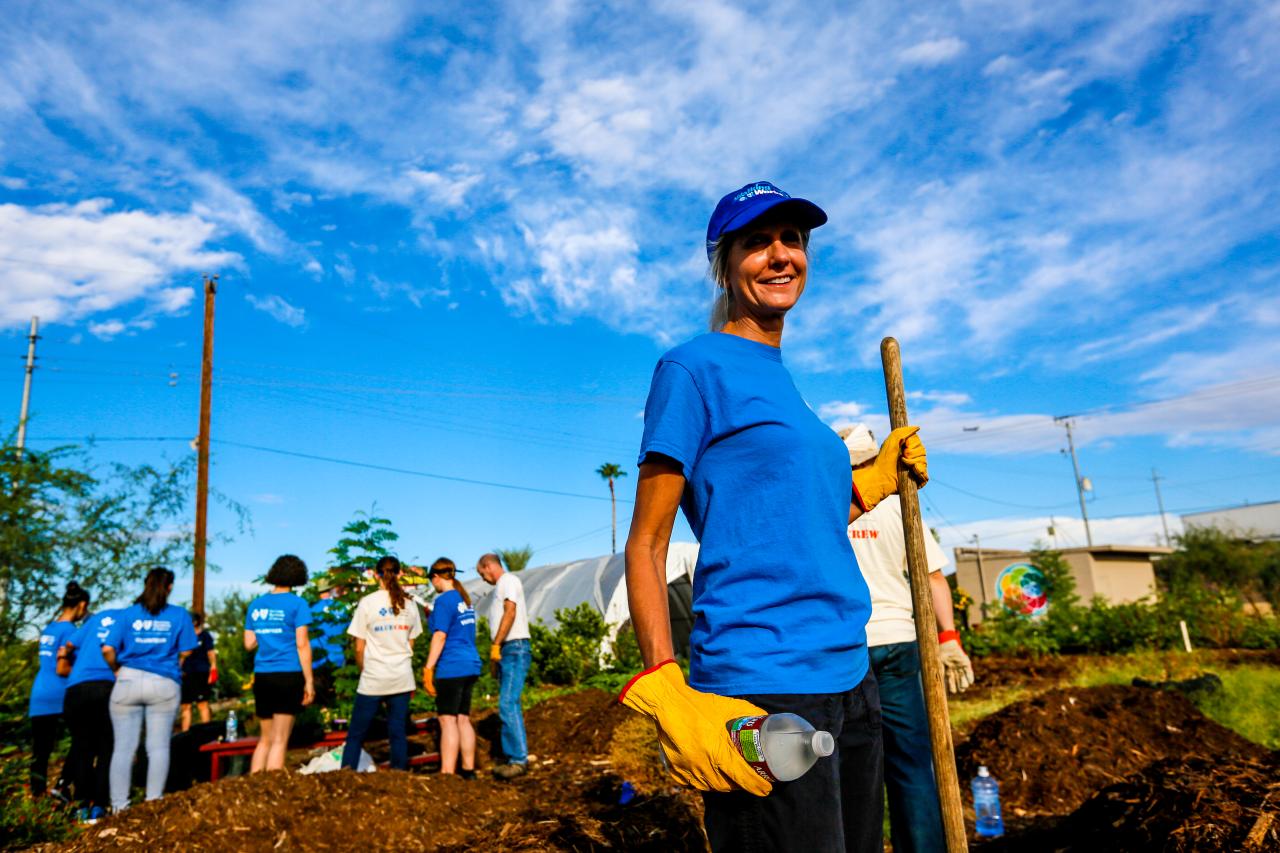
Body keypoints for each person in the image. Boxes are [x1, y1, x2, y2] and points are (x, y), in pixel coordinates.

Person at [620, 180, 929, 853]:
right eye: (757, 242)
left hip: (850, 674)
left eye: (792, 239)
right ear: (725, 264)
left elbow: (794, 521)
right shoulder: (692, 368)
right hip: (763, 683)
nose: (780, 254)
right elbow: (645, 545)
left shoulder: (783, 379)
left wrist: (873, 482)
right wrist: (663, 682)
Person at [843, 423, 975, 853]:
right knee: (913, 764)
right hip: (900, 642)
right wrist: (949, 636)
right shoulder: (903, 506)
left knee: (851, 766)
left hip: (847, 648)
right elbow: (934, 578)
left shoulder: (832, 506)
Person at [102, 567, 198, 812]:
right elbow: (188, 648)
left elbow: (107, 649)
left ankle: (119, 808)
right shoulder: (179, 615)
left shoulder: (127, 614)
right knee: (158, 747)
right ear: (169, 587)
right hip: (164, 683)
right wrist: (175, 661)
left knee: (123, 749)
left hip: (127, 680)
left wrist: (116, 669)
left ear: (146, 585)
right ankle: (152, 804)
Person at [341, 555, 422, 771]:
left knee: (357, 734)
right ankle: (399, 776)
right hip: (402, 677)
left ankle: (345, 775)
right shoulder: (410, 604)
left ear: (377, 575)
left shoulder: (368, 603)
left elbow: (359, 647)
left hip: (374, 677)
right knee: (397, 731)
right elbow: (410, 643)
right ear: (399, 574)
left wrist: (364, 671)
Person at [244, 554, 314, 773]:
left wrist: (266, 632)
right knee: (280, 740)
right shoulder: (298, 604)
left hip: (263, 676)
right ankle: (271, 794)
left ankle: (253, 789)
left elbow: (248, 643)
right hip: (288, 674)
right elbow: (302, 644)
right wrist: (309, 682)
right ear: (298, 576)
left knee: (264, 740)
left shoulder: (256, 605)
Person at [60, 604, 122, 821]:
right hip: (106, 687)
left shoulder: (99, 618)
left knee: (82, 748)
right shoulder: (130, 620)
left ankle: (81, 805)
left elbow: (68, 644)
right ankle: (100, 805)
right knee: (107, 749)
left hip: (76, 689)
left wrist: (66, 656)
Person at [28, 582, 90, 796]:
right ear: (82, 605)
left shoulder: (49, 628)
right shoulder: (72, 631)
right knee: (84, 738)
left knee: (40, 750)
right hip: (61, 694)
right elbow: (62, 668)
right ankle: (63, 784)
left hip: (39, 693)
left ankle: (37, 798)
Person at [422, 558, 481, 779]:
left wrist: (428, 668)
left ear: (436, 577)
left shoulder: (444, 600)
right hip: (471, 664)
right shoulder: (464, 599)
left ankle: (447, 773)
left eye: (431, 580)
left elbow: (440, 636)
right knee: (463, 719)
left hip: (452, 666)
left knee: (447, 720)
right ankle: (468, 770)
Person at [476, 552, 531, 780]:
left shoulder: (508, 581)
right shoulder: (501, 585)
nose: (483, 579)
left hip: (514, 647)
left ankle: (518, 760)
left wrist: (497, 643)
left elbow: (510, 611)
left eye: (481, 573)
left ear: (488, 566)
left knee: (507, 703)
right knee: (509, 702)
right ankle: (516, 756)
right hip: (509, 649)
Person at [309, 569, 349, 709]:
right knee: (339, 698)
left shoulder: (311, 611)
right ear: (331, 589)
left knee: (321, 702)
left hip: (318, 662)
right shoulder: (342, 608)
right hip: (338, 659)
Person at [179, 611, 217, 732]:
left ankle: (207, 733)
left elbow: (210, 653)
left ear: (195, 622)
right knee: (185, 706)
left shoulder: (205, 636)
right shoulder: (183, 636)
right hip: (186, 674)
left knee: (202, 704)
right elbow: (180, 656)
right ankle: (184, 735)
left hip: (201, 673)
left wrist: (213, 668)